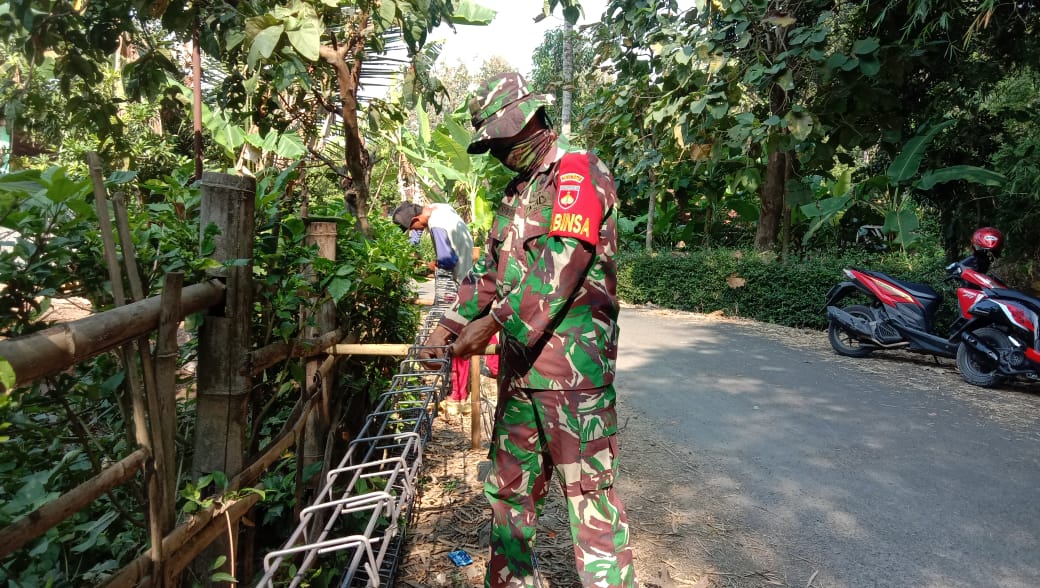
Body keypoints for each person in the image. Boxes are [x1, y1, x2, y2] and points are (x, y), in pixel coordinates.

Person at [420, 72, 637, 587]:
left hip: (571, 376)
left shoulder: (578, 174)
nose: (496, 152)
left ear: (532, 121)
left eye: (501, 139)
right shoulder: (519, 192)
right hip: (518, 372)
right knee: (509, 491)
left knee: (590, 505)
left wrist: (492, 324)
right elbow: (494, 275)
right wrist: (448, 324)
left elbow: (564, 259)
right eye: (490, 143)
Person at [392, 200, 475, 414]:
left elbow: (447, 259)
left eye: (412, 228)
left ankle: (458, 396)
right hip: (469, 277)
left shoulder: (436, 224)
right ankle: (460, 392)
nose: (415, 232)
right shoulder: (442, 210)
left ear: (415, 220)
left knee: (455, 339)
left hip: (461, 283)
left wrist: (432, 265)